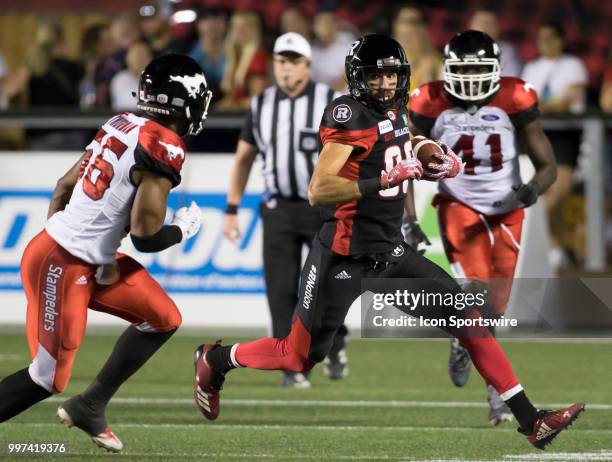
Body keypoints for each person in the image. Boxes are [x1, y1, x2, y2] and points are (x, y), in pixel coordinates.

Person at [193, 34, 584, 450]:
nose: (383, 85)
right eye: (375, 77)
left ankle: (531, 422)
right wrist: (384, 178)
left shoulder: (395, 107)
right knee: (298, 356)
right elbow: (319, 189)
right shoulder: (348, 114)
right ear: (357, 78)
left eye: (391, 76)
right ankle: (216, 359)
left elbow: (400, 140)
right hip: (342, 257)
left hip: (389, 254)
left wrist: (430, 150)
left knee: (468, 317)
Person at [0, 54, 212, 453]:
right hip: (62, 264)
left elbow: (63, 187)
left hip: (80, 259)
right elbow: (145, 237)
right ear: (183, 101)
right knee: (46, 378)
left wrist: (95, 252)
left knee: (162, 318)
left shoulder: (120, 123)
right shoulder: (162, 144)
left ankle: (90, 405)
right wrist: (184, 228)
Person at [408, 30, 557, 425]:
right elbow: (403, 161)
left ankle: (462, 341)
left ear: (495, 68)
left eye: (479, 67)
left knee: (494, 309)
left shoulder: (515, 96)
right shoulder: (429, 100)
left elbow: (548, 165)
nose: (472, 75)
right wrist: (408, 218)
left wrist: (532, 191)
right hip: (459, 206)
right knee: (475, 298)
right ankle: (498, 399)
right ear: (449, 69)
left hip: (507, 210)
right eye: (465, 67)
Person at [223, 32, 348, 387]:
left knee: (327, 286)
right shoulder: (261, 104)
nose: (286, 68)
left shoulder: (331, 102)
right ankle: (290, 367)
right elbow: (244, 158)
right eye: (281, 60)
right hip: (278, 209)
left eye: (294, 61)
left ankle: (336, 340)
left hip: (323, 210)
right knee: (279, 292)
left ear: (307, 65)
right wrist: (232, 207)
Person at [521, 22, 588, 270]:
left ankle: (530, 230)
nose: (545, 43)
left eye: (550, 38)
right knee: (544, 189)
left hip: (565, 134)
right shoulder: (531, 67)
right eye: (541, 38)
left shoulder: (573, 65)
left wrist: (542, 105)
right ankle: (555, 248)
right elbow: (525, 101)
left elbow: (571, 99)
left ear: (561, 40)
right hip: (537, 133)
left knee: (560, 189)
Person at [216, 11, 268, 111]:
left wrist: (234, 105)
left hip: (248, 118)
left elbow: (258, 99)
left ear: (253, 30)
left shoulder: (257, 58)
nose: (238, 31)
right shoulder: (233, 57)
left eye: (244, 27)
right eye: (235, 27)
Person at [392, 4, 442, 91]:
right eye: (407, 21)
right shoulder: (387, 57)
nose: (412, 27)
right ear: (396, 26)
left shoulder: (435, 60)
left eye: (416, 22)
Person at [188, 8, 229, 104]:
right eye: (207, 20)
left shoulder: (234, 51)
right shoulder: (188, 49)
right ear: (198, 25)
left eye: (217, 20)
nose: (212, 24)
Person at [310, 6, 355, 91]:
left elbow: (343, 81)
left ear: (335, 25)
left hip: (344, 99)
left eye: (326, 22)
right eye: (319, 23)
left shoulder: (348, 44)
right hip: (319, 99)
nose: (322, 27)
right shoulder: (311, 50)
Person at [468, 8, 523, 77]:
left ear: (498, 28)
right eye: (481, 23)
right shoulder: (457, 48)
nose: (485, 28)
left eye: (490, 24)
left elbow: (509, 79)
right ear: (471, 25)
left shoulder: (508, 51)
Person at [110, 41, 153, 111]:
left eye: (143, 56)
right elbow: (129, 104)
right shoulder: (120, 79)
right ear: (127, 59)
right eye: (136, 56)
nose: (139, 60)